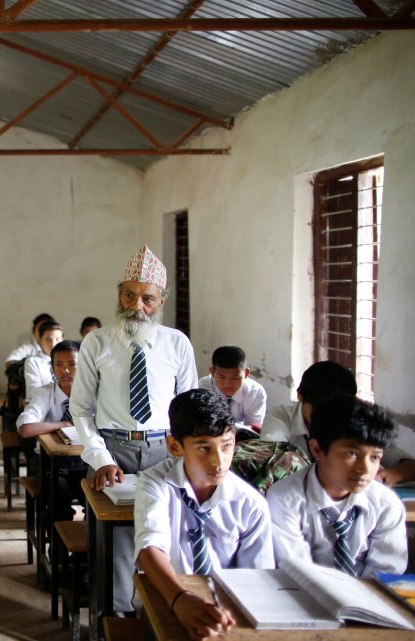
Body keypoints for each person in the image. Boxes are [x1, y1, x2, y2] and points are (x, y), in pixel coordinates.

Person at [70, 244, 198, 613]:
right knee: (117, 545)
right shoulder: (97, 342)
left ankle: (164, 616)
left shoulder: (177, 343)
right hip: (114, 451)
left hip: (165, 450)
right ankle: (117, 619)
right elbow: (80, 410)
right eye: (129, 294)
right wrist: (100, 458)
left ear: (161, 302)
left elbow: (188, 407)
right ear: (118, 294)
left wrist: (184, 455)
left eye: (147, 298)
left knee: (167, 537)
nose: (136, 306)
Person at [135, 389, 273, 640]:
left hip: (230, 613)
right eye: (203, 449)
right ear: (175, 446)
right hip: (168, 596)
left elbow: (257, 580)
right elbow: (150, 547)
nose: (218, 461)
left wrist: (222, 617)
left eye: (226, 446)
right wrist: (180, 599)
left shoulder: (250, 504)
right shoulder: (156, 483)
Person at [266, 395, 407, 577]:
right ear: (316, 449)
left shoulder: (386, 504)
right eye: (351, 454)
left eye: (375, 458)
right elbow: (298, 572)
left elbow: (386, 574)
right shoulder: (284, 500)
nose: (365, 469)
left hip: (369, 599)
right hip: (306, 596)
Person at [260, 360, 415, 486]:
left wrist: (390, 475)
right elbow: (275, 463)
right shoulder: (280, 418)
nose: (327, 418)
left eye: (335, 411)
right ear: (300, 396)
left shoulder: (353, 422)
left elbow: (413, 466)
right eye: (319, 411)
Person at [17, 340, 86, 520]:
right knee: (58, 501)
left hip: (85, 460)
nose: (65, 371)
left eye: (72, 364)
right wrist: (62, 425)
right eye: (59, 365)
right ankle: (58, 547)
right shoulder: (44, 393)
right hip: (49, 461)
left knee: (94, 502)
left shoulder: (93, 395)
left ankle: (86, 547)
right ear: (52, 368)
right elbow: (25, 429)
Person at [198, 345, 266, 429]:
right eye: (221, 377)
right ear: (212, 372)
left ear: (246, 373)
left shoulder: (255, 392)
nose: (228, 384)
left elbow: (254, 429)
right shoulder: (203, 388)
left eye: (235, 378)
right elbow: (204, 424)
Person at [23, 320, 63, 397]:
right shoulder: (33, 362)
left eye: (57, 339)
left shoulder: (69, 360)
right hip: (44, 405)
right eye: (48, 339)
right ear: (39, 341)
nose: (53, 344)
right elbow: (34, 393)